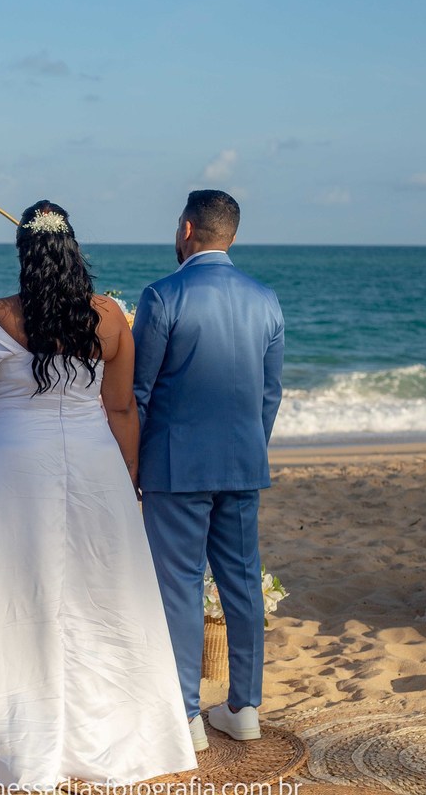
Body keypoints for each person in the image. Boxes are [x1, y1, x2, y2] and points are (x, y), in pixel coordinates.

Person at [0, 201, 196, 788]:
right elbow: (122, 407)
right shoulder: (109, 319)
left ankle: (21, 737)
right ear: (73, 250)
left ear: (24, 254)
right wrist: (128, 481)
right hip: (96, 464)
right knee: (99, 594)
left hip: (13, 472)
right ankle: (103, 737)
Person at [132, 190, 285, 751]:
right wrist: (249, 449)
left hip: (176, 467)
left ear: (188, 230)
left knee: (179, 587)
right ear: (233, 236)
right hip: (243, 464)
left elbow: (139, 393)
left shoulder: (162, 295)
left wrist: (132, 462)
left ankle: (187, 716)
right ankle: (244, 707)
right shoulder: (266, 300)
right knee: (241, 582)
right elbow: (270, 394)